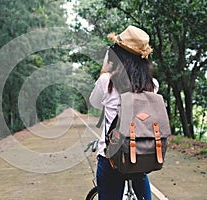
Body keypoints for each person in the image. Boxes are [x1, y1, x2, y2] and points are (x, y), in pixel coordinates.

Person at [89, 25, 158, 200]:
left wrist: (105, 70)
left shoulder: (107, 81)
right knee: (139, 173)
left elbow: (95, 103)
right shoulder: (152, 84)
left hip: (112, 158)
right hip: (141, 154)